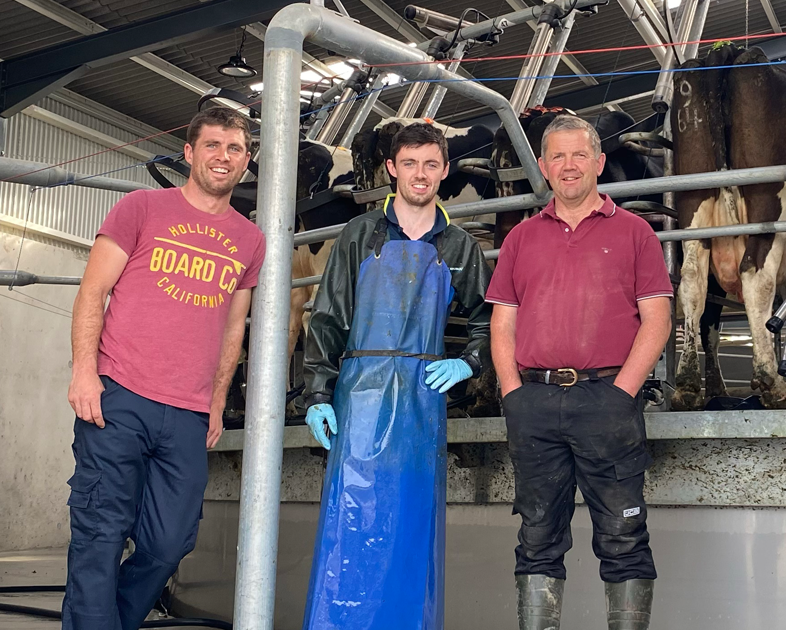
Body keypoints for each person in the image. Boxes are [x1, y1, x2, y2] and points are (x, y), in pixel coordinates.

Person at [62, 107, 264, 630]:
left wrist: (218, 400)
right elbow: (93, 292)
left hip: (189, 412)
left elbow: (233, 329)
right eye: (214, 145)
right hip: (120, 395)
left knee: (170, 542)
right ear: (190, 153)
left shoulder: (249, 239)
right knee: (100, 534)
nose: (224, 157)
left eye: (236, 148)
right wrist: (86, 371)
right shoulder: (142, 208)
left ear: (247, 160)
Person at [486, 115, 673, 630]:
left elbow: (657, 321)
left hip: (606, 399)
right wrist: (512, 394)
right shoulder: (522, 238)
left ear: (599, 162)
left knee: (622, 534)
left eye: (579, 155)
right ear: (544, 168)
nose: (569, 166)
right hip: (535, 402)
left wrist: (621, 393)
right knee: (537, 535)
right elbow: (503, 325)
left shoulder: (636, 232)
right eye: (558, 157)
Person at [301, 122, 491, 629]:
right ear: (391, 168)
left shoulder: (458, 247)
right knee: (350, 520)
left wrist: (470, 361)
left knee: (411, 527)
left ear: (445, 171)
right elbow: (327, 317)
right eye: (410, 163)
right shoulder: (359, 236)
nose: (420, 174)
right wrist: (317, 392)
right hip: (358, 399)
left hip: (420, 405)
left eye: (431, 164)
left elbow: (490, 318)